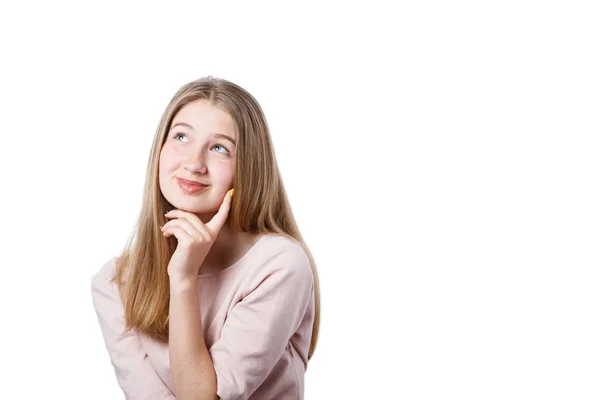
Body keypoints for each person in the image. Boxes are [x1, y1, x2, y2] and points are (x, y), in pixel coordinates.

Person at [90, 76, 321, 400]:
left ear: (248, 167)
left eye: (219, 148)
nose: (194, 163)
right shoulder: (116, 283)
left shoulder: (279, 264)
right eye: (181, 136)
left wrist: (182, 278)